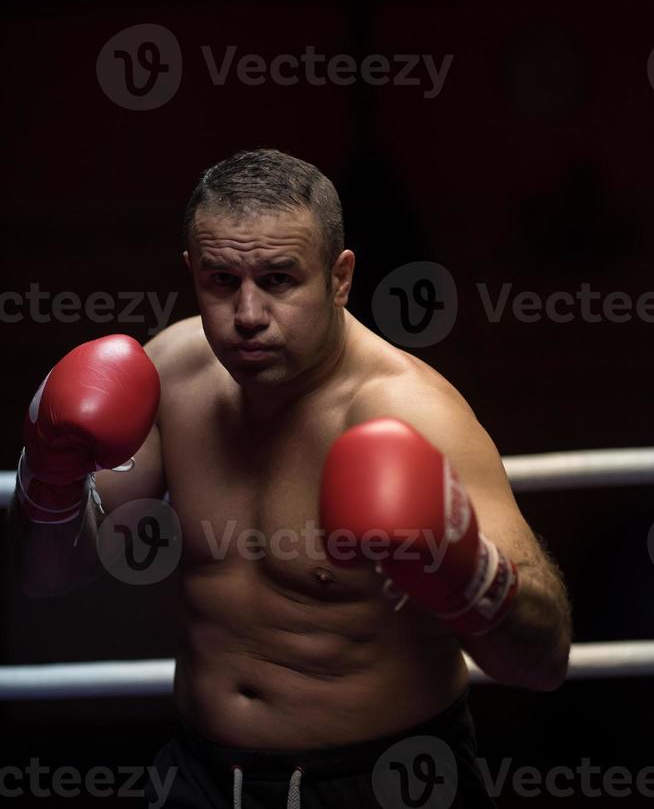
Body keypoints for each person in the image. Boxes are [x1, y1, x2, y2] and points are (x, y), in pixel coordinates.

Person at [10, 148, 572, 808]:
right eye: (222, 280)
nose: (248, 313)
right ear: (192, 273)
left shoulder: (410, 412)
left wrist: (467, 570)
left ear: (339, 278)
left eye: (279, 279)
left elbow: (542, 661)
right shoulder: (172, 375)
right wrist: (48, 481)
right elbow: (47, 574)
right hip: (202, 774)